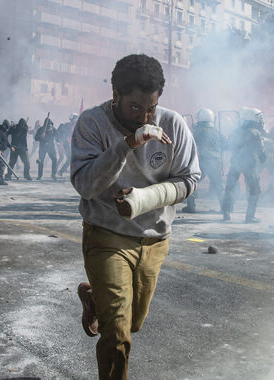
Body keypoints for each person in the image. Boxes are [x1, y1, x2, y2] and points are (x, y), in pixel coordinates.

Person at [70, 54, 200, 380]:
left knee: (134, 322)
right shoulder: (92, 123)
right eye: (135, 107)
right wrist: (127, 145)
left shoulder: (172, 124)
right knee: (116, 334)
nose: (145, 116)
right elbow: (85, 185)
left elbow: (189, 179)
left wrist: (146, 198)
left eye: (151, 108)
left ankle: (94, 297)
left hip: (154, 238)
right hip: (106, 234)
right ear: (115, 95)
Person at [221, 107, 267, 223]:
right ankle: (250, 216)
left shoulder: (236, 131)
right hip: (249, 164)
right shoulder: (256, 133)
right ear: (253, 118)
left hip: (235, 163)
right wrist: (263, 158)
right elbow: (261, 152)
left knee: (230, 188)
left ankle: (226, 213)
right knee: (255, 189)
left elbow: (228, 145)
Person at [182, 108, 224, 213]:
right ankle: (225, 209)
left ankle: (191, 207)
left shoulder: (198, 131)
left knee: (193, 182)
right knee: (218, 185)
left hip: (203, 161)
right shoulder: (216, 131)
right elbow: (225, 144)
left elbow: (190, 144)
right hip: (216, 162)